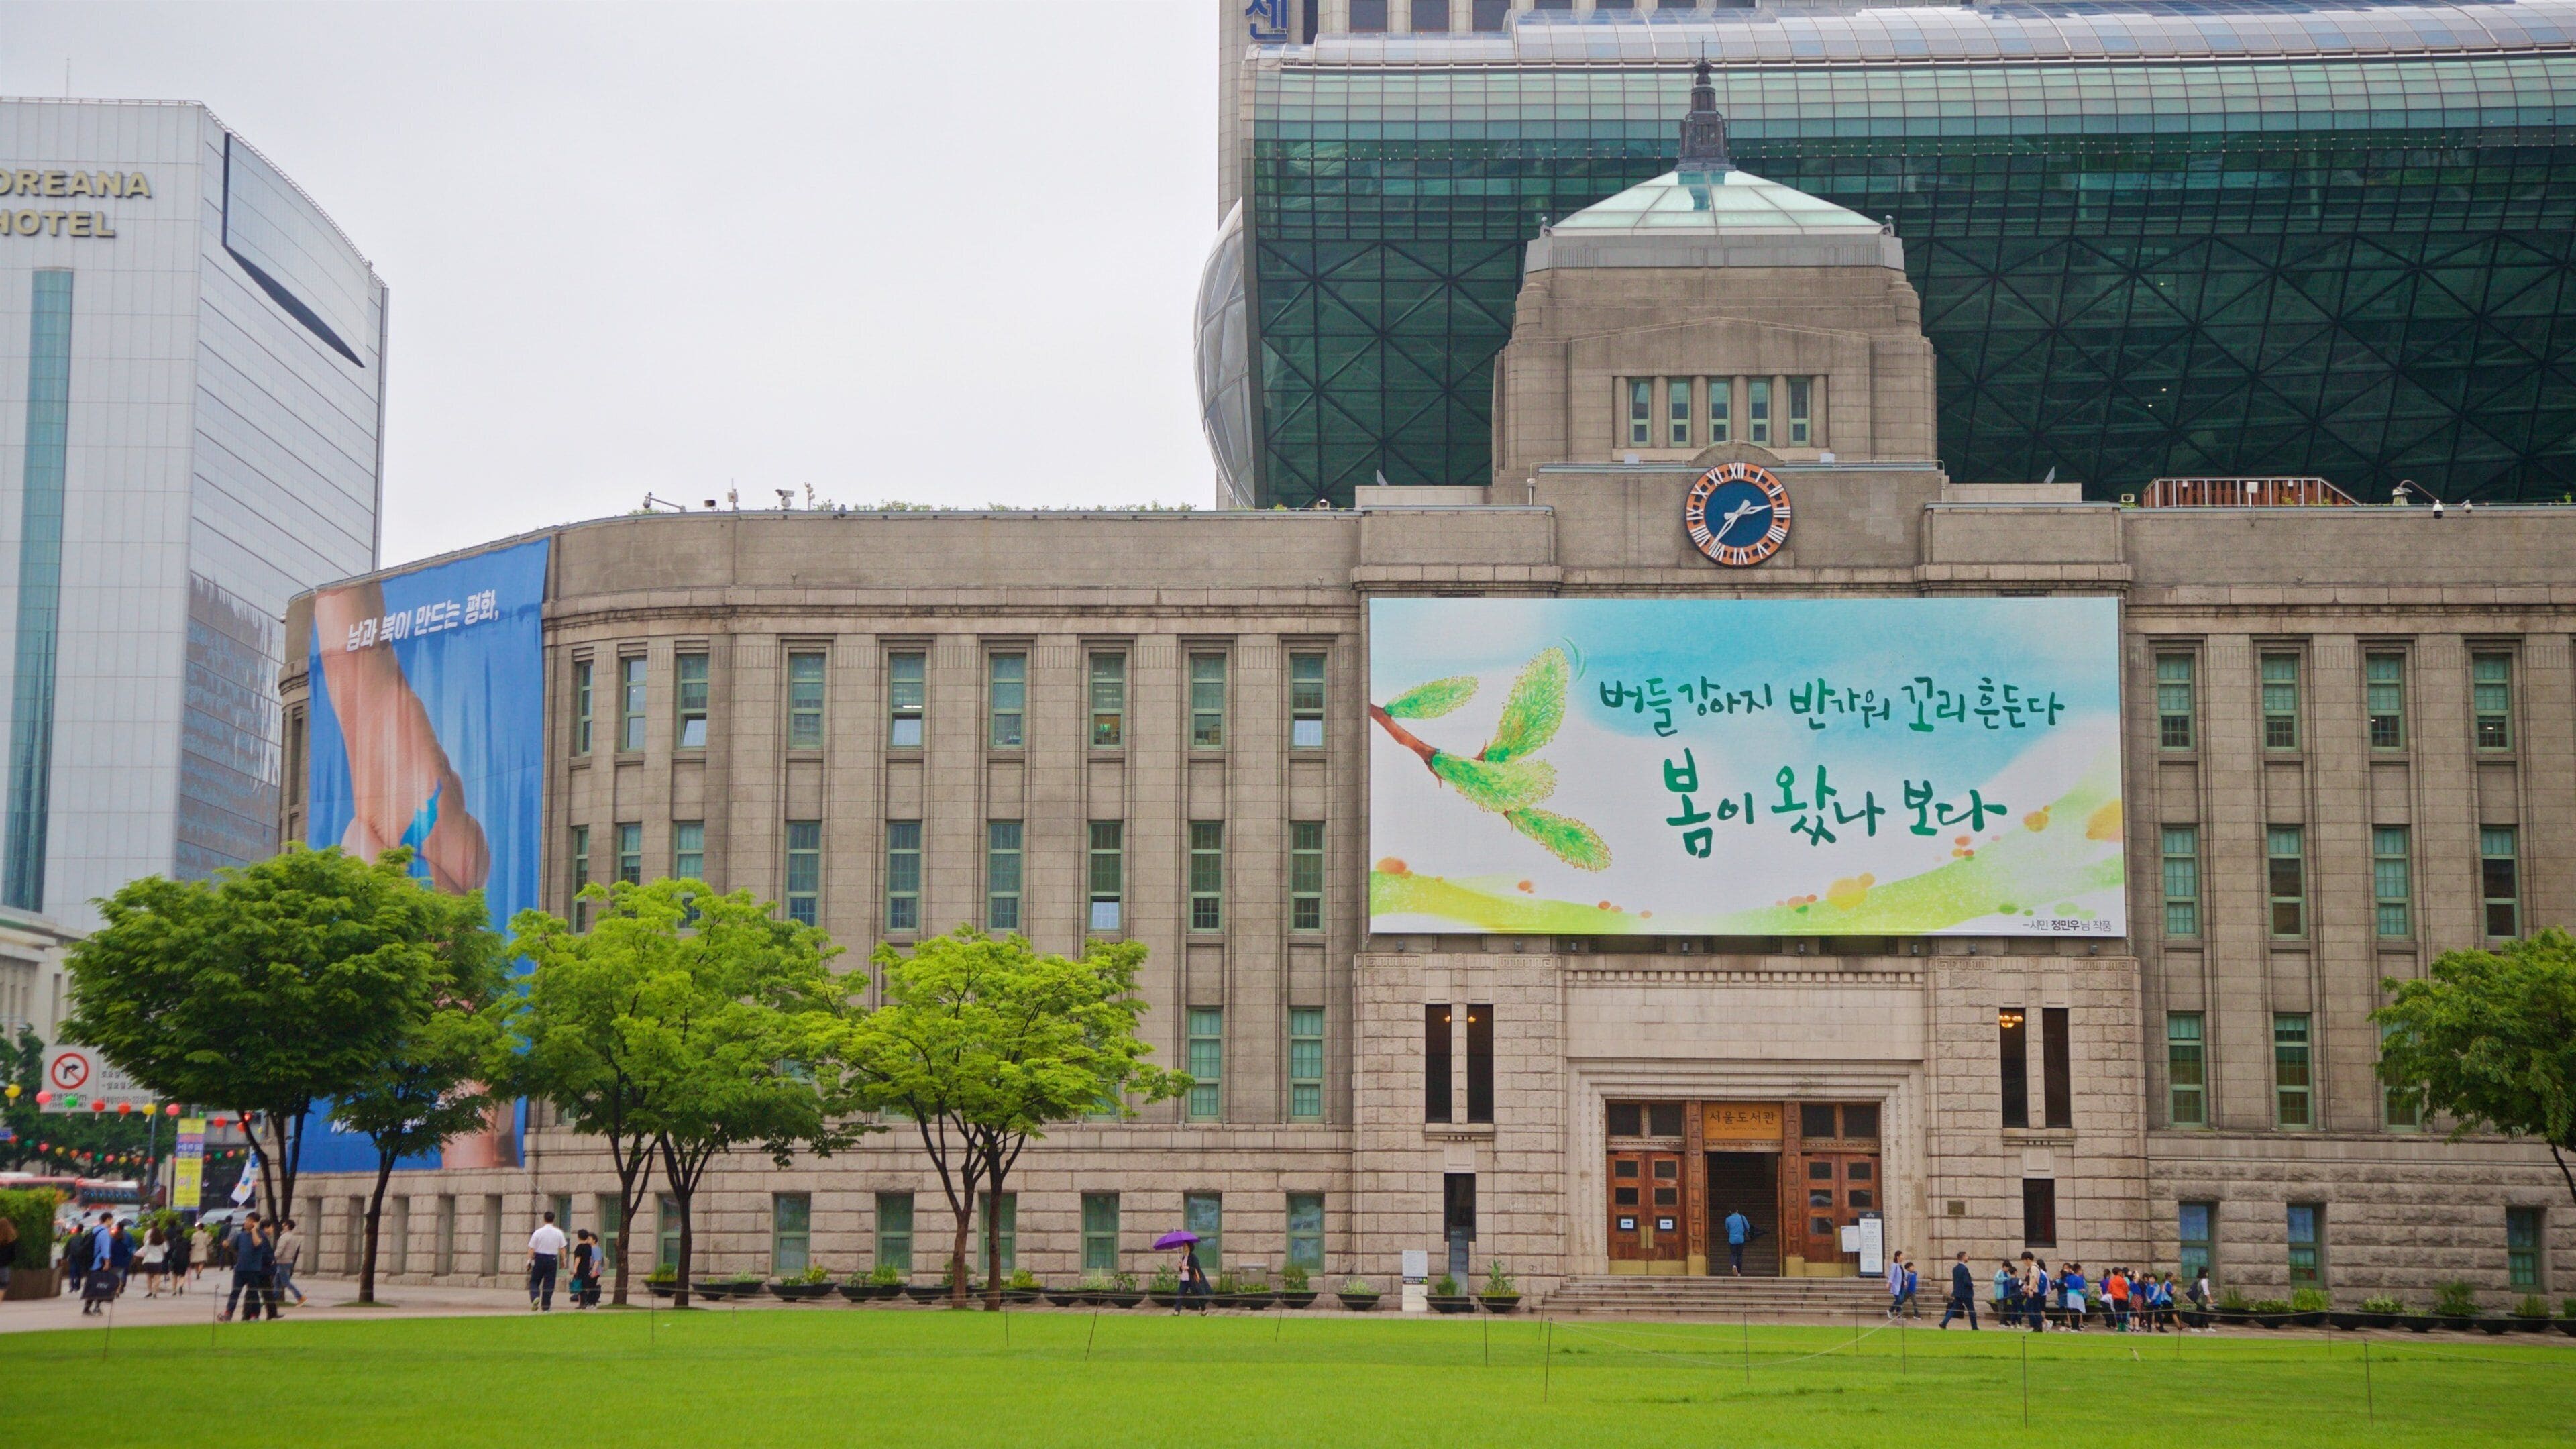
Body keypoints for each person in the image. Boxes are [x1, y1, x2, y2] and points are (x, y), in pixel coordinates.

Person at [223, 1214, 276, 1322]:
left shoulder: (261, 1235)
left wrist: (254, 1231)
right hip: (240, 1269)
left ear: (254, 1223)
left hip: (253, 1269)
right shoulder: (241, 1235)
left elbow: (257, 1244)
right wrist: (227, 1245)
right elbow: (236, 1250)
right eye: (246, 1220)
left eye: (248, 1220)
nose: (245, 1222)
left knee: (253, 1293)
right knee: (235, 1292)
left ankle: (254, 1315)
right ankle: (228, 1313)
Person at [80, 1214, 119, 1315]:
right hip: (100, 1263)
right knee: (101, 1284)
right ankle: (96, 1307)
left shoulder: (95, 1230)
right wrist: (107, 1262)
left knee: (93, 1284)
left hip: (92, 1262)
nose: (113, 1221)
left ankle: (88, 1307)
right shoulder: (105, 1233)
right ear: (108, 1220)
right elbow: (105, 1249)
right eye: (112, 1219)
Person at [527, 1210, 566, 1311]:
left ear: (544, 1219)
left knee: (534, 1281)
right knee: (549, 1283)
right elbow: (562, 1248)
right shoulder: (559, 1233)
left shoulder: (538, 1232)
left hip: (539, 1258)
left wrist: (529, 1261)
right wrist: (564, 1260)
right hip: (552, 1259)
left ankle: (535, 1296)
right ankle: (546, 1306)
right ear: (554, 1219)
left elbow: (532, 1249)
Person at [1939, 1250, 1980, 1329]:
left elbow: (1956, 1282)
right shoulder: (1964, 1269)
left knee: (1954, 1309)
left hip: (1958, 1293)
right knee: (1971, 1310)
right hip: (1966, 1293)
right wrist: (1973, 1284)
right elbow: (1966, 1282)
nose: (1967, 1258)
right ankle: (1974, 1327)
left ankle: (1944, 1323)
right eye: (1966, 1256)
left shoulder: (1955, 1269)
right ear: (1963, 1258)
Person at [273, 1218, 307, 1307]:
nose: (283, 1225)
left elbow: (280, 1250)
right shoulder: (293, 1237)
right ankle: (272, 1301)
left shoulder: (284, 1237)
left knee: (285, 1282)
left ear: (287, 1226)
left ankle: (300, 1297)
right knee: (277, 1282)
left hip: (283, 1261)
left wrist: (274, 1258)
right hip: (288, 1261)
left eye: (284, 1224)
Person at [569, 1229, 601, 1309]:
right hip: (586, 1269)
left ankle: (583, 1303)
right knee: (584, 1286)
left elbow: (578, 1258)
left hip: (581, 1269)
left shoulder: (580, 1247)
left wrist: (575, 1268)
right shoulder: (589, 1247)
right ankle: (583, 1303)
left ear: (579, 1237)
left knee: (580, 1286)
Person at [1179, 1241, 1210, 1311]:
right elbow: (1182, 1271)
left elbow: (1196, 1269)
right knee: (1180, 1294)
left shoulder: (1193, 1257)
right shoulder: (1184, 1258)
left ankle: (1204, 1310)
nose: (1184, 1247)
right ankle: (1177, 1311)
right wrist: (1181, 1266)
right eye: (1183, 1246)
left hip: (1191, 1280)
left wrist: (1188, 1267)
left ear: (1189, 1247)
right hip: (1184, 1280)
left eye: (1185, 1246)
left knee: (1197, 1294)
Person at [140, 1225, 168, 1297]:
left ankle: (150, 1291)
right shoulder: (163, 1241)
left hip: (148, 1261)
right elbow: (166, 1250)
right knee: (157, 1277)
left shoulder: (148, 1241)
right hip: (158, 1261)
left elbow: (145, 1251)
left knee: (149, 1277)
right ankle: (155, 1292)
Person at [166, 1219, 193, 1295]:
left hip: (175, 1260)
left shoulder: (173, 1242)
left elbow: (170, 1251)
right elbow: (189, 1250)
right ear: (183, 1232)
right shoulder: (187, 1241)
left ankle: (174, 1291)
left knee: (174, 1275)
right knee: (182, 1275)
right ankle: (181, 1286)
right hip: (184, 1260)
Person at [1723, 1208, 1752, 1276]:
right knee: (1740, 1255)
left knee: (1733, 1254)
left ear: (1730, 1211)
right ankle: (1739, 1272)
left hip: (1732, 1239)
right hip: (1741, 1239)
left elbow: (1727, 1229)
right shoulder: (1742, 1217)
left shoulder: (1728, 1219)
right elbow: (1748, 1227)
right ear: (1737, 1210)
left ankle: (1734, 1265)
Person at [2059, 1262, 2086, 1330]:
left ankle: (2073, 1327)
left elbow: (2066, 1285)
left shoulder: (2069, 1277)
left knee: (2072, 1311)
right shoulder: (2079, 1278)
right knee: (2077, 1311)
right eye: (2081, 1270)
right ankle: (2076, 1327)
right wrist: (2084, 1291)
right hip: (2077, 1296)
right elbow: (2080, 1289)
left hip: (2069, 1295)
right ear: (2078, 1270)